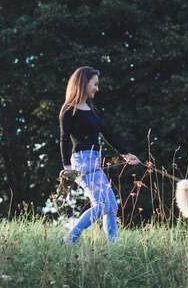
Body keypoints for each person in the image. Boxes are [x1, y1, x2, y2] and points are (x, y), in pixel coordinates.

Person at [59, 66, 140, 244]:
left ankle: (114, 245)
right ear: (83, 82)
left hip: (94, 161)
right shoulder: (69, 109)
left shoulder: (91, 110)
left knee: (111, 206)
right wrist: (66, 166)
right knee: (102, 204)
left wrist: (126, 154)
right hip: (82, 162)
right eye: (95, 84)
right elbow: (64, 139)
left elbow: (107, 134)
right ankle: (70, 238)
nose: (97, 88)